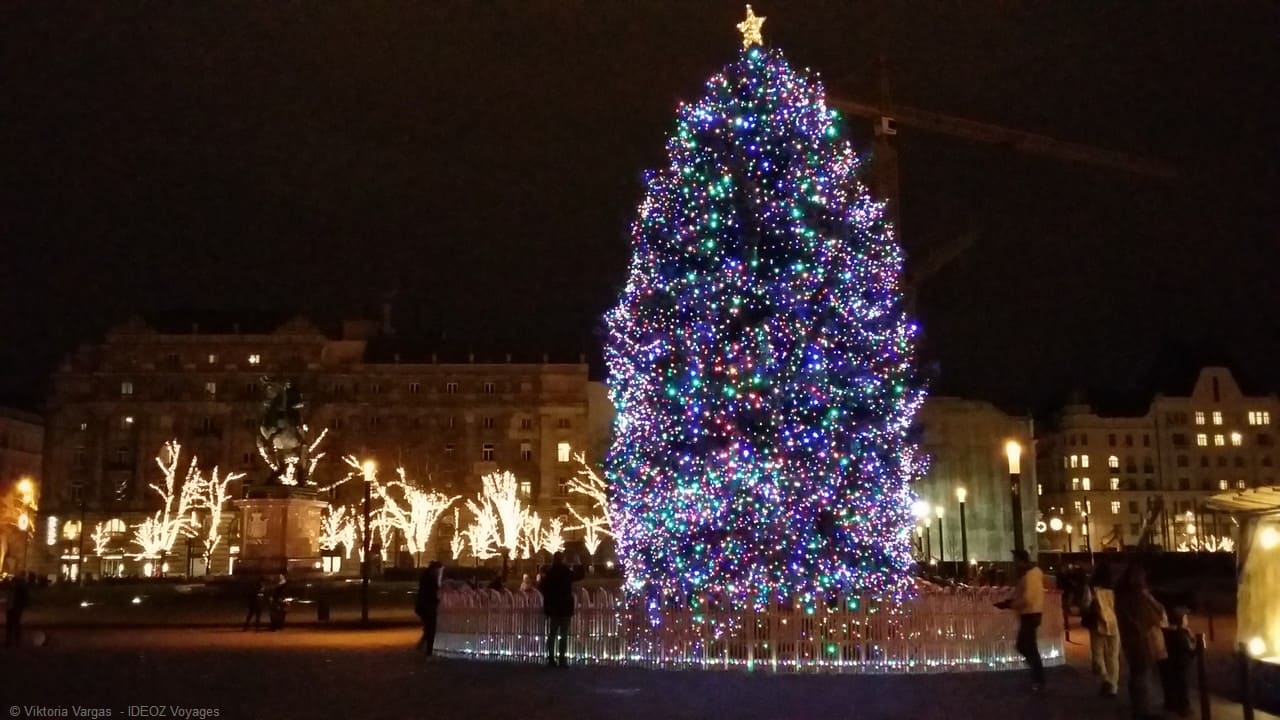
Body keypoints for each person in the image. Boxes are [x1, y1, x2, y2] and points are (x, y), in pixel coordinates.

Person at [1116, 562, 1168, 719]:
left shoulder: (1123, 596)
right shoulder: (1137, 597)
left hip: (1132, 640)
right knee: (1142, 675)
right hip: (1141, 640)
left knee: (1137, 674)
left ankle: (1139, 708)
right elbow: (1155, 615)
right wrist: (1149, 598)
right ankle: (1142, 711)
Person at [996, 549, 1045, 690]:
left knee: (1026, 646)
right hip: (1031, 613)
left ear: (1021, 561)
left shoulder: (1029, 576)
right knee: (1027, 646)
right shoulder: (1031, 574)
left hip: (1030, 614)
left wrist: (1010, 604)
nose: (1014, 563)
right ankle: (1037, 674)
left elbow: (1027, 599)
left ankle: (1038, 676)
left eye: (1015, 560)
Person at [1081, 563, 1121, 696]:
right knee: (1113, 656)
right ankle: (1113, 687)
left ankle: (1105, 679)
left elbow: (1085, 604)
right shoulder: (1116, 588)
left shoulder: (1091, 588)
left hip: (1097, 624)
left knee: (1097, 654)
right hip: (1114, 624)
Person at [538, 551, 584, 668]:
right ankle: (562, 659)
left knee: (552, 634)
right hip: (565, 606)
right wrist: (579, 563)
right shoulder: (566, 572)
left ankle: (551, 658)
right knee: (563, 634)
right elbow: (580, 576)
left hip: (553, 607)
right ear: (562, 559)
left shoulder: (549, 573)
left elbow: (542, 587)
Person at [1159, 606, 1196, 717]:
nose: (1187, 620)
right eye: (1185, 618)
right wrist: (1198, 645)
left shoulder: (1165, 632)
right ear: (1180, 620)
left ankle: (1170, 703)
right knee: (1182, 686)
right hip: (1181, 665)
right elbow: (1190, 649)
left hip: (1168, 664)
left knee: (1169, 684)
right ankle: (1184, 708)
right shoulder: (1181, 634)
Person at [415, 561, 443, 657]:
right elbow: (434, 591)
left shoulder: (425, 575)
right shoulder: (432, 577)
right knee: (431, 628)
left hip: (422, 606)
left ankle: (422, 645)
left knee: (428, 627)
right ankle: (428, 651)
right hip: (428, 606)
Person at [5, 576, 30, 647]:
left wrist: (21, 607)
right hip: (10, 609)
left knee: (15, 626)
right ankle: (9, 641)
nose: (12, 583)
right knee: (10, 626)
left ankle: (16, 642)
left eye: (13, 582)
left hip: (16, 609)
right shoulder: (12, 589)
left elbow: (25, 599)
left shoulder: (20, 590)